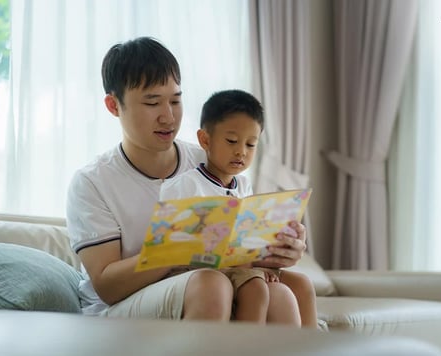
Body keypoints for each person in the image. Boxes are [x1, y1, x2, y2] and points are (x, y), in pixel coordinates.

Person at [65, 36, 308, 324]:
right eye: (152, 102)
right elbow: (107, 286)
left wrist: (278, 249)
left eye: (176, 100)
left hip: (206, 283)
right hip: (118, 308)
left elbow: (240, 248)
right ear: (113, 105)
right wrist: (180, 248)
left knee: (290, 289)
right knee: (210, 283)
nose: (168, 117)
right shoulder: (92, 182)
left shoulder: (212, 159)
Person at [159, 89, 318, 328]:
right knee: (256, 287)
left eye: (251, 144)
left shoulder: (243, 185)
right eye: (232, 141)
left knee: (303, 284)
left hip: (241, 266)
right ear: (205, 140)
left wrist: (275, 245)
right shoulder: (188, 184)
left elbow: (248, 239)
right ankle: (242, 347)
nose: (241, 151)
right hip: (197, 271)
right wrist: (250, 266)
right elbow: (175, 244)